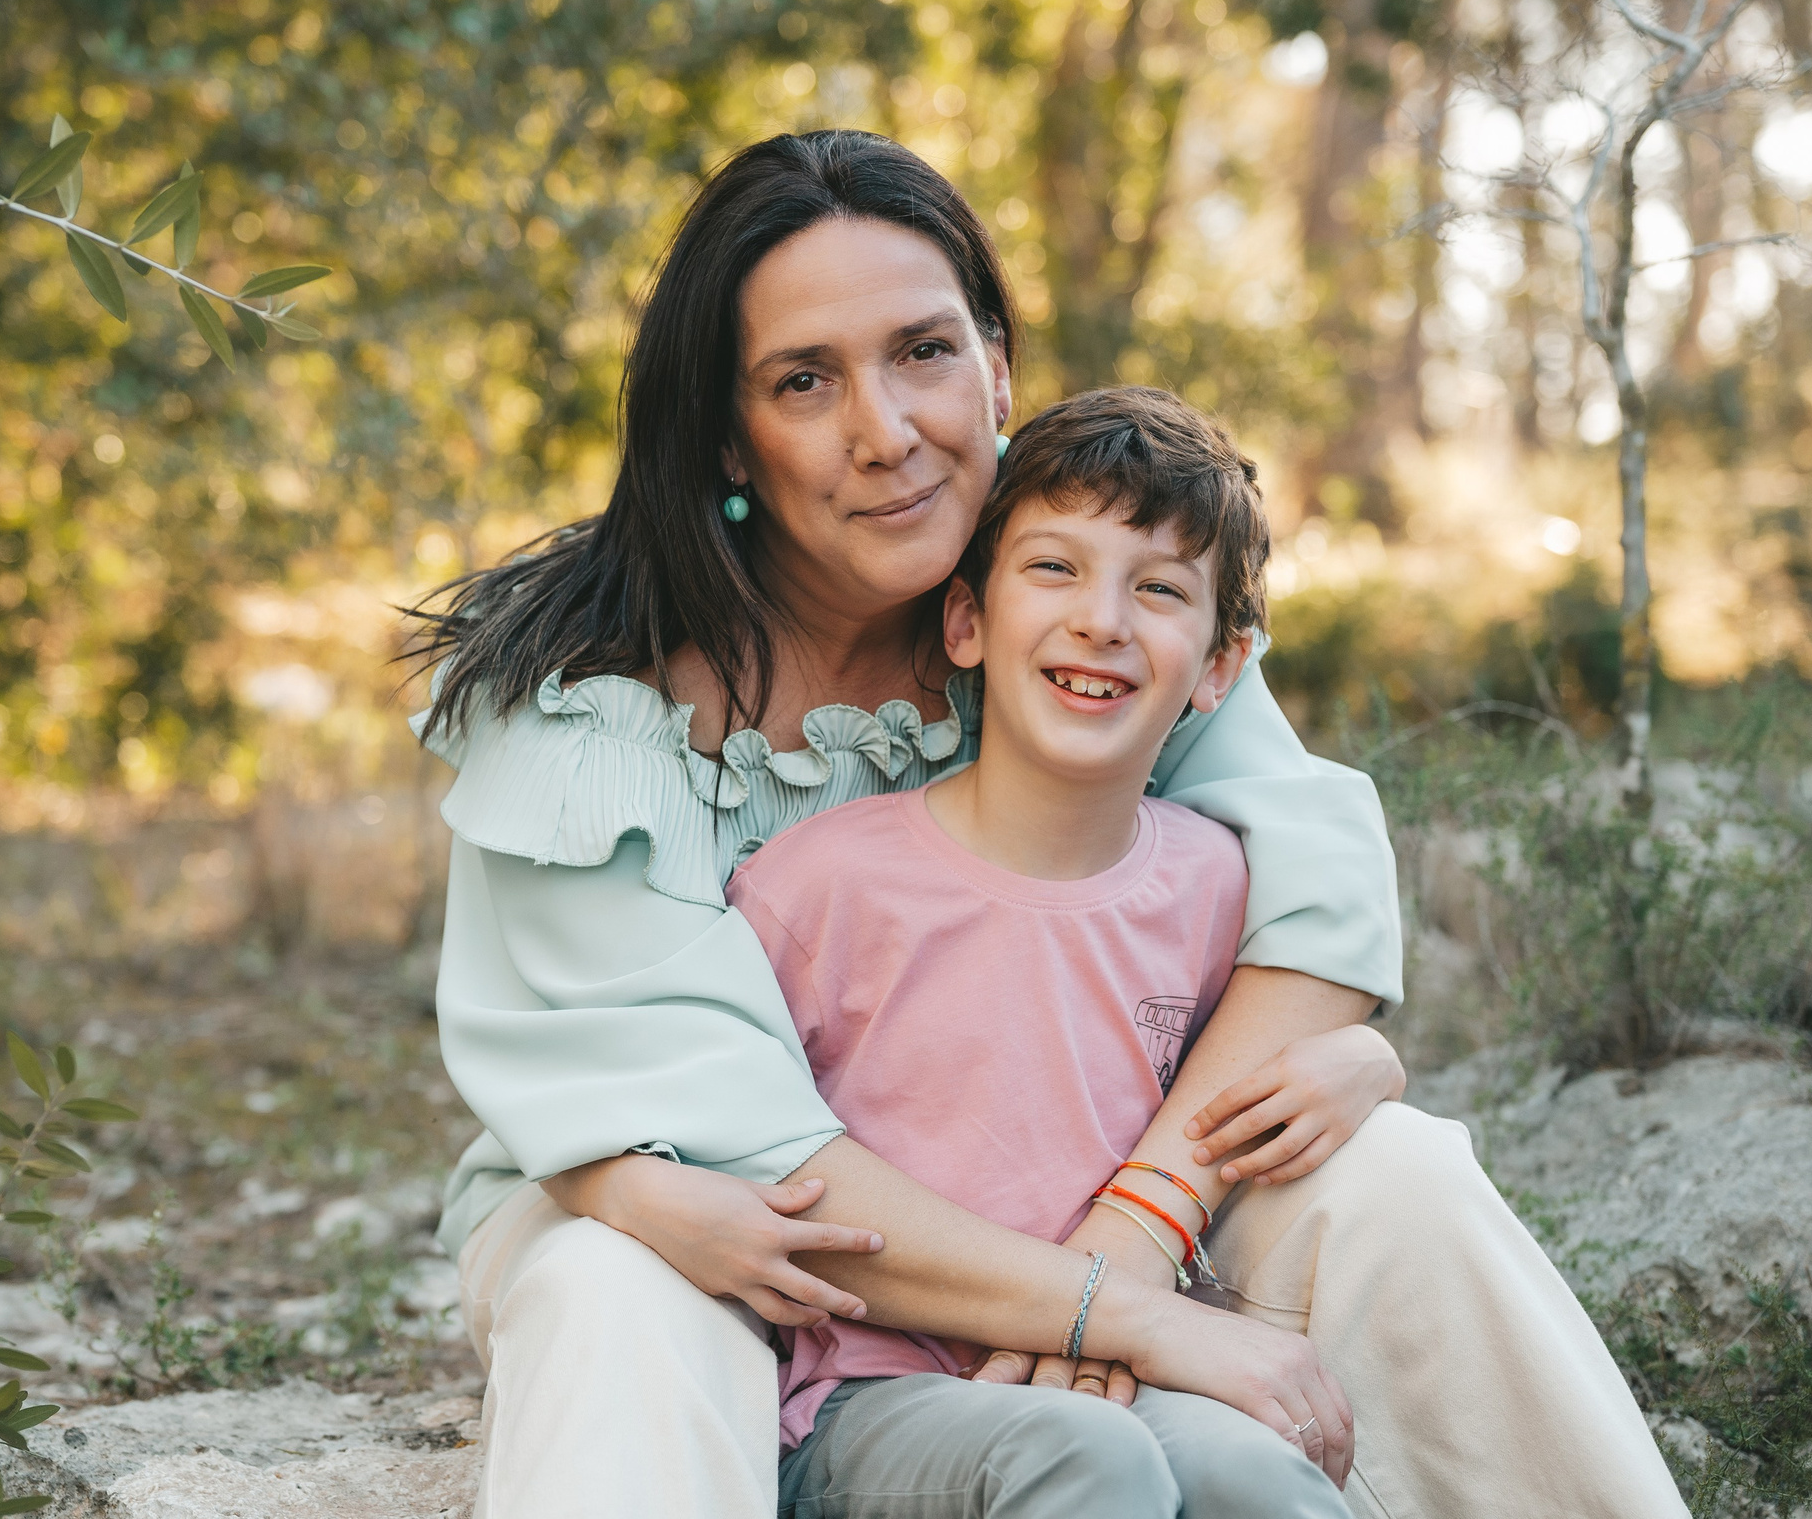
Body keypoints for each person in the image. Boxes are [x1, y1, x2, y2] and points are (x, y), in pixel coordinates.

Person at [409, 129, 1685, 1519]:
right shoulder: (597, 720)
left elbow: (1313, 914)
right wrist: (1131, 1317)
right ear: (730, 433)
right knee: (627, 1280)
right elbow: (758, 1159)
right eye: (803, 381)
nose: (887, 431)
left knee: (1394, 1171)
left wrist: (1144, 1229)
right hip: (712, 1217)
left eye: (924, 352)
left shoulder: (1080, 597)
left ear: (997, 365)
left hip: (1070, 1179)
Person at [743, 386, 1358, 1518]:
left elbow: (1277, 1069)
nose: (1102, 621)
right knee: (1085, 1462)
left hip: (1126, 1376)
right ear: (964, 623)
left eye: (1159, 589)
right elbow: (742, 1153)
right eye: (1054, 570)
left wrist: (1366, 1062)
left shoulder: (1215, 886)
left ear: (1218, 670)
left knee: (1257, 1474)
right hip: (871, 1402)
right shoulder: (817, 887)